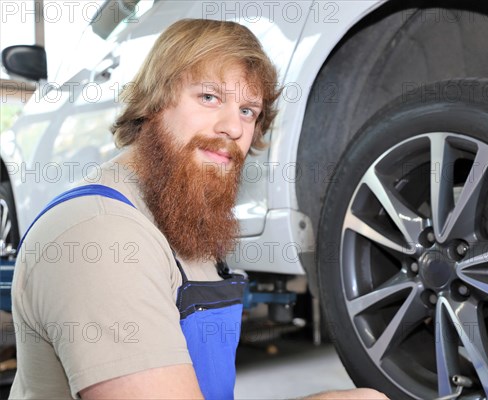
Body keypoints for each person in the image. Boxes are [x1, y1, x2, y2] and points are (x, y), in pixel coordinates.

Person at [9, 19, 388, 399]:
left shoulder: (183, 220)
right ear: (154, 102)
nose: (233, 128)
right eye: (209, 97)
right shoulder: (101, 237)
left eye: (247, 111)